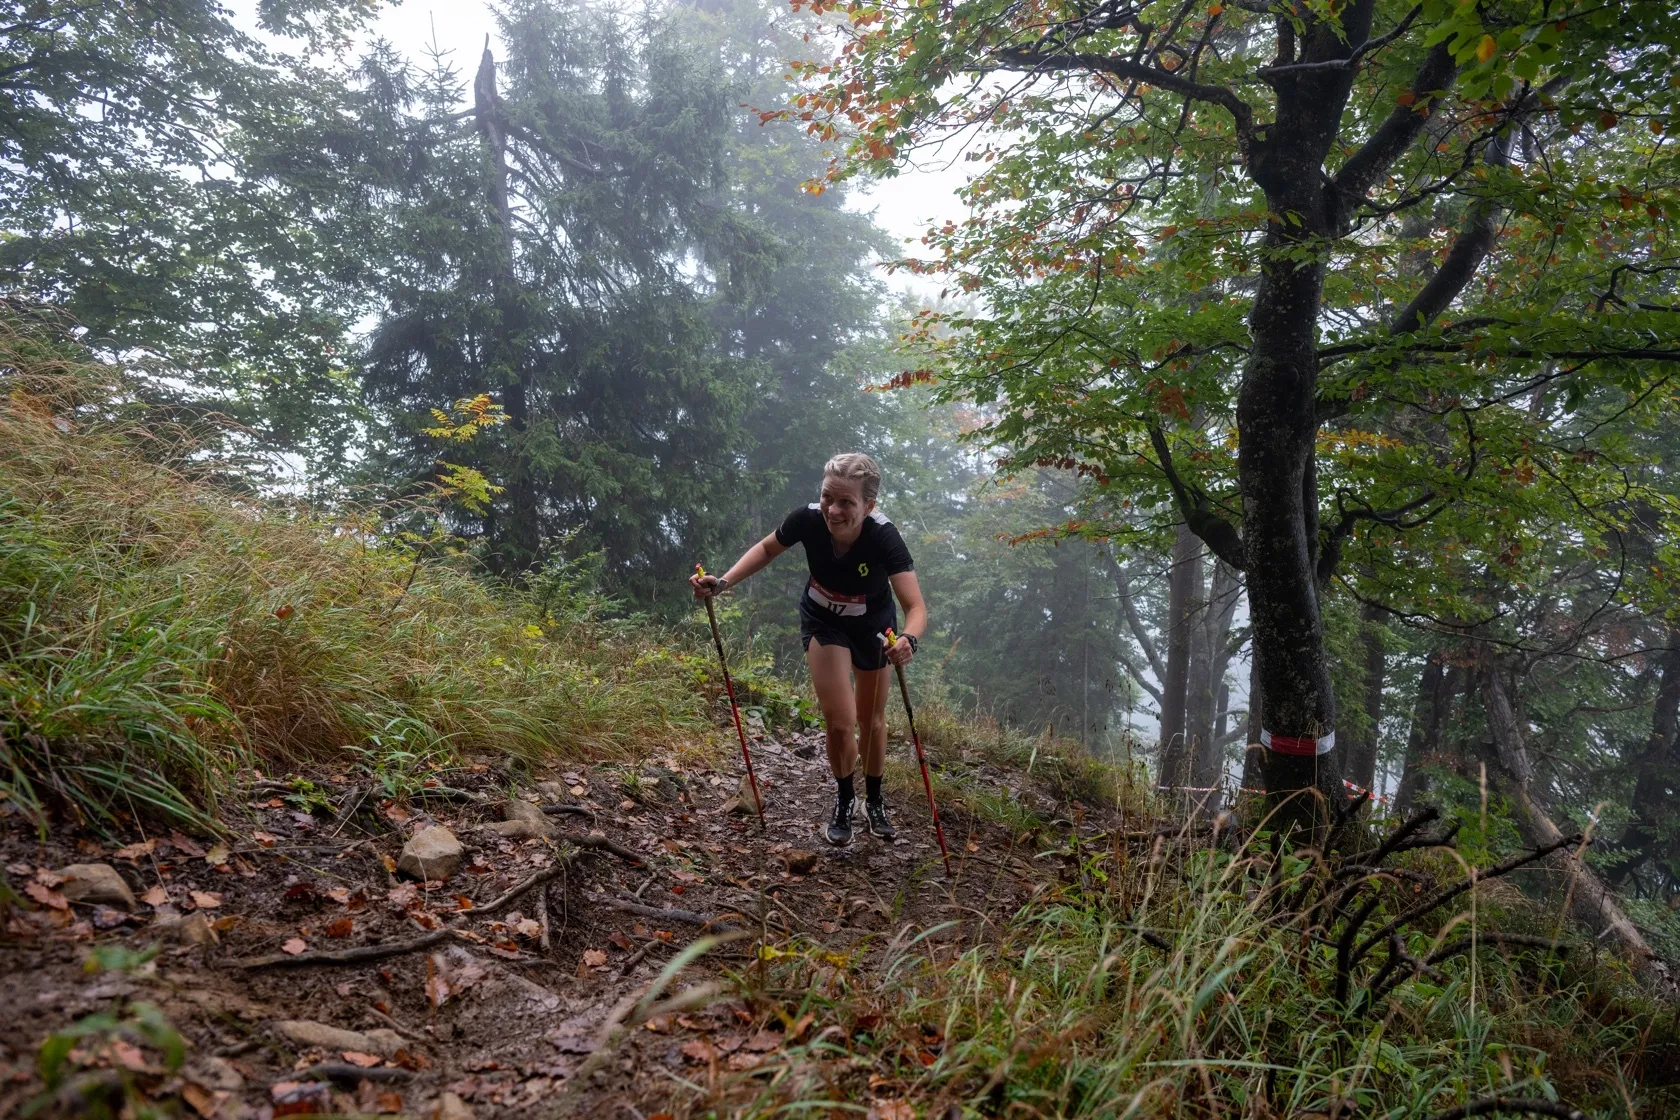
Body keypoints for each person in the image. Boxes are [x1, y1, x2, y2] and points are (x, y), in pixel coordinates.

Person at [690, 452, 927, 846]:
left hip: (873, 626)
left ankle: (876, 799)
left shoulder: (884, 536)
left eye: (847, 502)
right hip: (823, 621)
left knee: (872, 721)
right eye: (827, 496)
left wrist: (908, 639)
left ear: (869, 506)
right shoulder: (808, 519)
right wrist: (723, 583)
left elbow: (915, 607)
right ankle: (845, 799)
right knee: (840, 721)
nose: (833, 509)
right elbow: (767, 549)